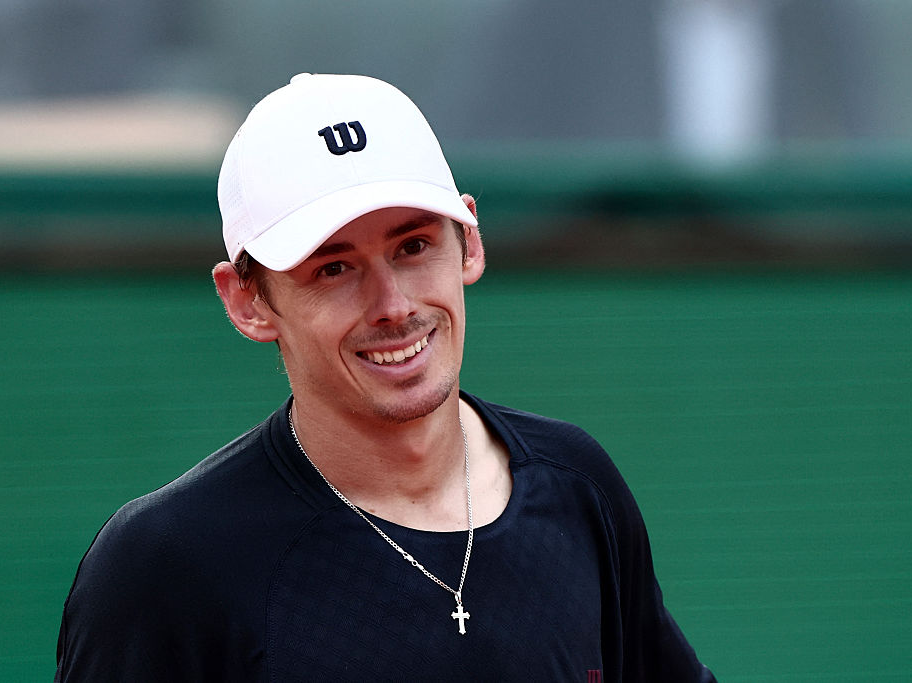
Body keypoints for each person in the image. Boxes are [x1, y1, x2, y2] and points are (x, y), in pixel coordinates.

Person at [55, 73, 717, 682]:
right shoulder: (161, 566)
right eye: (333, 268)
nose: (394, 305)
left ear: (470, 242)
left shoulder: (578, 486)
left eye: (413, 246)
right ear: (246, 301)